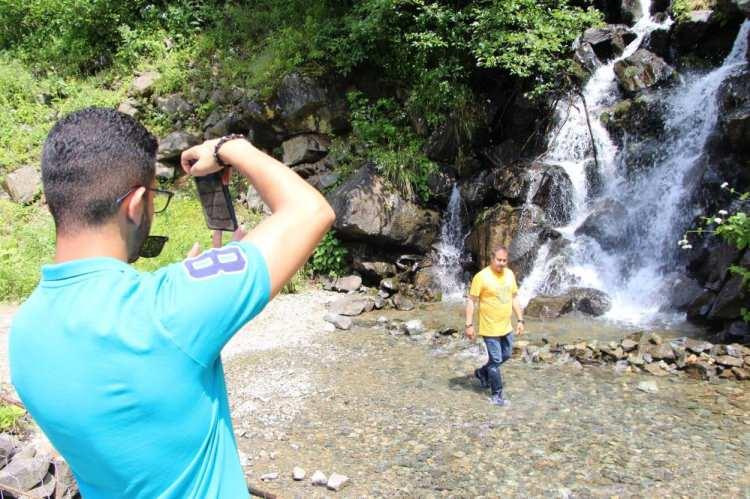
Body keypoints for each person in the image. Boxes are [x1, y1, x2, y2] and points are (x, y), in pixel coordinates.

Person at [9, 107, 335, 498]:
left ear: (52, 203)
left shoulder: (23, 333)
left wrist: (190, 287)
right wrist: (232, 147)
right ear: (135, 205)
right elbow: (311, 211)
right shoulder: (170, 311)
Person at [465, 246, 525, 407]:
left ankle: (482, 372)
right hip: (489, 326)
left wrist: (520, 320)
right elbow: (471, 300)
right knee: (496, 359)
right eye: (499, 260)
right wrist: (469, 325)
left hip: (506, 326)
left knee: (506, 355)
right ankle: (497, 394)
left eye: (504, 260)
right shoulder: (481, 277)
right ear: (492, 259)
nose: (502, 263)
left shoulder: (509, 274)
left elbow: (514, 298)